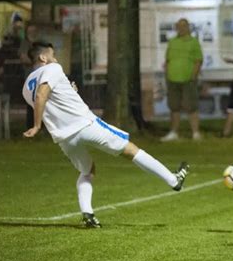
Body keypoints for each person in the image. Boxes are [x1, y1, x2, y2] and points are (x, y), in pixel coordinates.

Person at [22, 42, 190, 228]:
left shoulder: (26, 88)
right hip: (86, 124)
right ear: (43, 58)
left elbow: (51, 103)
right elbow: (42, 95)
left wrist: (70, 91)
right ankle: (174, 180)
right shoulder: (52, 68)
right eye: (52, 55)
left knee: (87, 170)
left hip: (64, 138)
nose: (55, 58)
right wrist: (37, 126)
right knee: (131, 150)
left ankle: (88, 214)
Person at [161, 18, 203, 142]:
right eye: (179, 26)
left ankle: (195, 133)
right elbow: (168, 60)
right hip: (173, 79)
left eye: (184, 26)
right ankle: (174, 132)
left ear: (188, 27)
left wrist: (193, 76)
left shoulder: (194, 42)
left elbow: (198, 60)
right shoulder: (172, 42)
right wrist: (167, 74)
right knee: (174, 107)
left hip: (188, 80)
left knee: (191, 107)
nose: (181, 28)